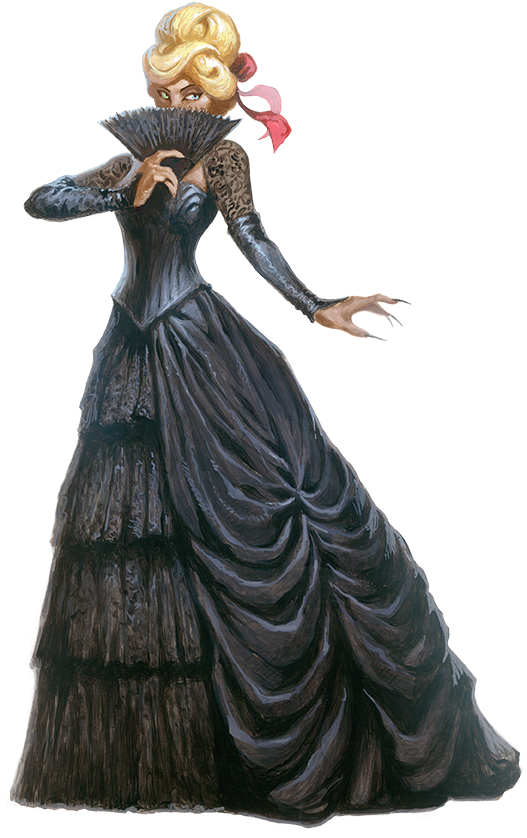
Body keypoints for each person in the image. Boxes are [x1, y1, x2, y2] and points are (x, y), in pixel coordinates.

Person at [10, 3, 520, 823]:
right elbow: (42, 199)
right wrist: (123, 188)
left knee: (272, 512)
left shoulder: (223, 158)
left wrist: (315, 304)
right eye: (168, 89)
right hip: (131, 356)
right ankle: (164, 757)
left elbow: (253, 241)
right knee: (134, 535)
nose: (178, 101)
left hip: (201, 344)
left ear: (215, 96)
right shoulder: (136, 156)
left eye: (193, 91)